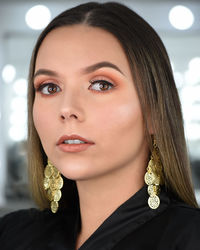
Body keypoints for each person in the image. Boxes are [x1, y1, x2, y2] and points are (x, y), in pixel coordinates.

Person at [0, 1, 200, 249]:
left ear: (155, 112)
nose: (67, 109)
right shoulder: (13, 234)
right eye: (50, 87)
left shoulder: (189, 238)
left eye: (101, 84)